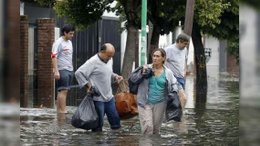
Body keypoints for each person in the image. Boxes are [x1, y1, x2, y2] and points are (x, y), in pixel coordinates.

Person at [75, 43, 123, 132]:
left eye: (111, 56)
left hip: (109, 97)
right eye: (108, 56)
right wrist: (88, 85)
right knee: (98, 125)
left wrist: (115, 76)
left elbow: (107, 73)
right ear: (102, 52)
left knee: (116, 122)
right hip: (97, 98)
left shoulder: (110, 60)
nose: (110, 58)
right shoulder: (93, 61)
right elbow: (78, 73)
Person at [129, 49, 179, 134]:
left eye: (158, 56)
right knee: (148, 128)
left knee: (156, 130)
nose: (155, 58)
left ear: (163, 58)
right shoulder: (145, 68)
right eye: (154, 56)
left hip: (160, 103)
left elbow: (174, 84)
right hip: (144, 102)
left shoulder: (168, 72)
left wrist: (174, 93)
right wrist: (143, 73)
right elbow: (132, 79)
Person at [51, 24, 75, 113]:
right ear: (65, 33)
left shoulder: (69, 42)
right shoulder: (58, 42)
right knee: (63, 90)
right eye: (70, 34)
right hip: (62, 70)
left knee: (63, 91)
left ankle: (59, 110)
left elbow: (69, 56)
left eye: (73, 34)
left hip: (69, 69)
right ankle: (63, 111)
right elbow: (53, 57)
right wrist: (56, 71)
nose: (72, 36)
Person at [163, 33, 190, 110]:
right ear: (179, 41)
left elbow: (184, 60)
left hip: (181, 77)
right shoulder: (169, 49)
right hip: (173, 78)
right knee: (183, 98)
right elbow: (163, 61)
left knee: (176, 100)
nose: (185, 46)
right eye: (184, 44)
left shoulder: (184, 50)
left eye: (187, 44)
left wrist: (184, 70)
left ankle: (174, 117)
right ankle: (179, 117)